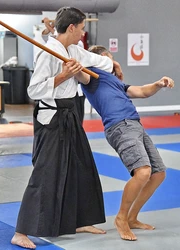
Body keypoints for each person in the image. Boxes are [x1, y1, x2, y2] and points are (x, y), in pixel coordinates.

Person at [11, 7, 121, 249]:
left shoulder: (72, 50)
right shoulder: (48, 53)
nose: (82, 33)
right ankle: (21, 231)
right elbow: (33, 90)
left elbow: (97, 60)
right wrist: (62, 76)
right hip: (51, 118)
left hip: (70, 113)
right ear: (71, 28)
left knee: (80, 167)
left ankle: (80, 220)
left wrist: (112, 63)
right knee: (45, 173)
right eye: (81, 29)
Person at [80, 45, 174, 241]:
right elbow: (79, 68)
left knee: (158, 174)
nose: (113, 63)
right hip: (119, 127)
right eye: (109, 58)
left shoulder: (114, 81)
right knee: (143, 172)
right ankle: (121, 218)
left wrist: (158, 84)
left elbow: (141, 91)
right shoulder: (91, 75)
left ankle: (132, 218)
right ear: (101, 59)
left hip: (135, 125)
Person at [41, 17, 86, 124]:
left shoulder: (76, 44)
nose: (83, 34)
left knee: (77, 123)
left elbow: (60, 39)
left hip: (75, 92)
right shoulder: (53, 47)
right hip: (59, 97)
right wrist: (49, 27)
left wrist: (50, 27)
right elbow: (49, 37)